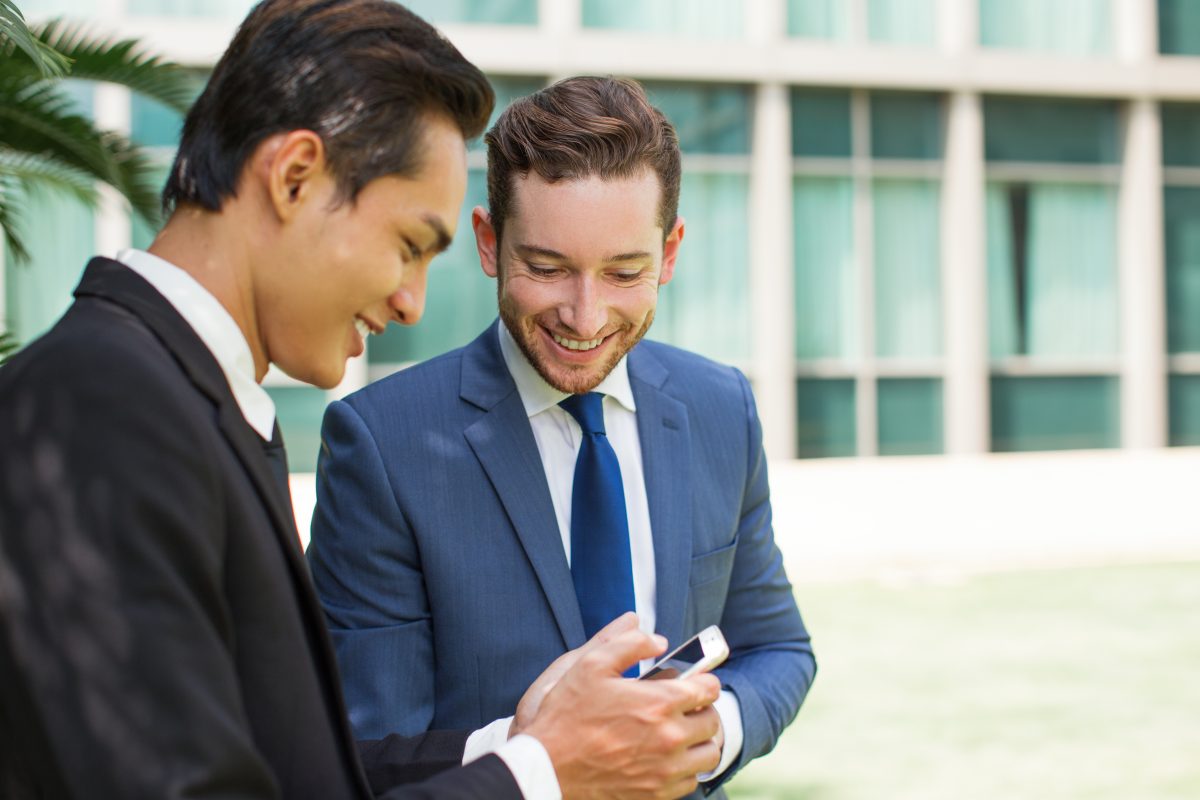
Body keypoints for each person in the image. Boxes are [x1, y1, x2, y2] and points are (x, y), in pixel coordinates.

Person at [0, 4, 724, 798]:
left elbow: (292, 768)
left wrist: (525, 743)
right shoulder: (101, 415)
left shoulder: (183, 398)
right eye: (410, 245)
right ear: (294, 177)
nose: (413, 301)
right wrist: (542, 776)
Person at [308, 76, 817, 798]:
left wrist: (709, 735)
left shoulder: (720, 406)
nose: (585, 316)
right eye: (547, 269)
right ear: (489, 242)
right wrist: (537, 753)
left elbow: (777, 647)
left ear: (669, 253)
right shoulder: (381, 445)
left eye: (624, 272)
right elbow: (362, 751)